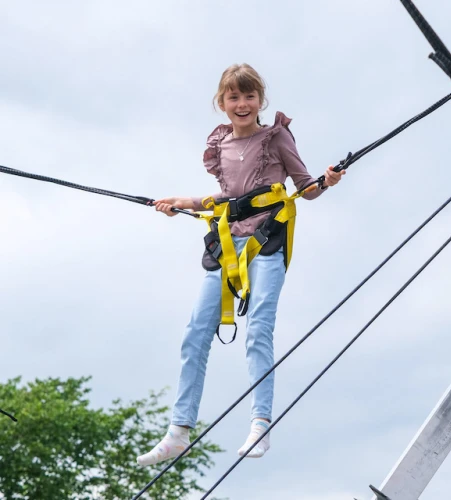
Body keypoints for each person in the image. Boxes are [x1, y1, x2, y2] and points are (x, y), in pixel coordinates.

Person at [137, 63, 345, 466]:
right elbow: (224, 197)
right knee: (195, 332)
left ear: (260, 101)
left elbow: (306, 188)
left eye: (249, 96)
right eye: (234, 97)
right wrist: (179, 202)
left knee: (259, 329)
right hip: (228, 245)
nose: (242, 103)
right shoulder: (221, 145)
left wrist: (326, 180)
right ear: (222, 103)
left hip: (267, 242)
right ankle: (179, 430)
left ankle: (260, 423)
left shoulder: (276, 137)